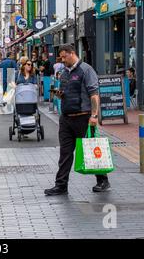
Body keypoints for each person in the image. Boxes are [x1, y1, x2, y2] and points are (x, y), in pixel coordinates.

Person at [45, 44, 110, 196]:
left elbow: (94, 94)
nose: (62, 60)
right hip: (66, 118)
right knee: (65, 153)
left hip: (84, 117)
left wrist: (94, 116)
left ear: (72, 53)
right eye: (60, 57)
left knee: (92, 150)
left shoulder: (86, 70)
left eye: (63, 56)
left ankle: (103, 180)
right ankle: (61, 185)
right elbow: (66, 93)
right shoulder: (63, 73)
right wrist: (59, 94)